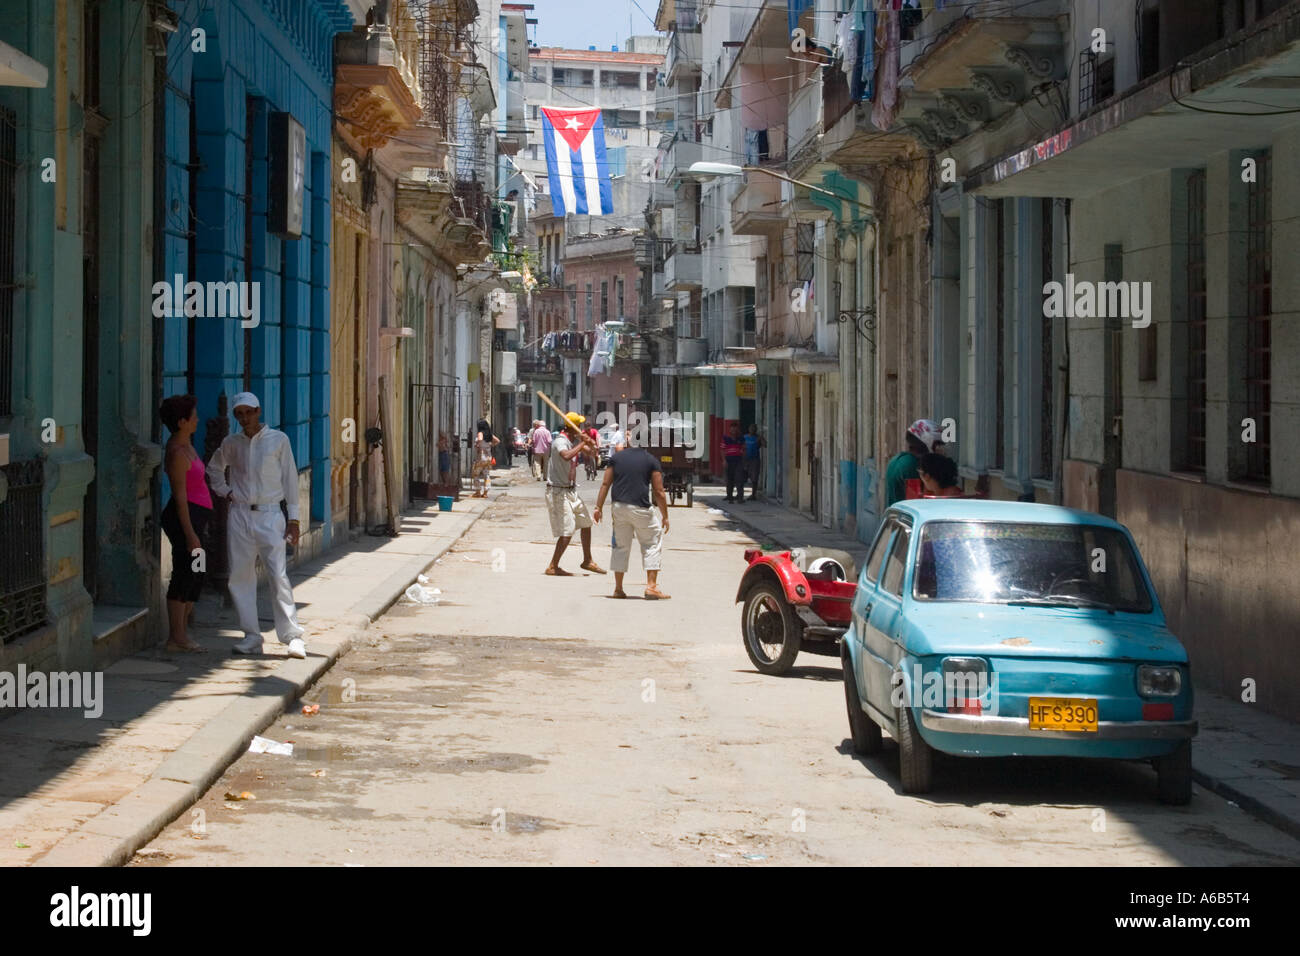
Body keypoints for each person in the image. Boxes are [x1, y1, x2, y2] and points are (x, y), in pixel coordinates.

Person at [206, 392, 307, 658]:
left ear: (258, 411)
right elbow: (214, 468)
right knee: (240, 577)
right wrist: (225, 492)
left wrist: (294, 519)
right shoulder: (231, 443)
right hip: (239, 514)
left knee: (277, 575)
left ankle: (292, 635)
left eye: (248, 412)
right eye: (239, 414)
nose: (244, 418)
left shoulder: (278, 440)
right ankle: (251, 636)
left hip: (271, 515)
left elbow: (290, 480)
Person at [159, 395, 212, 653]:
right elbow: (180, 497)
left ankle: (182, 631)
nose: (197, 419)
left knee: (197, 572)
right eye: (193, 416)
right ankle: (176, 636)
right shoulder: (178, 453)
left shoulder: (187, 445)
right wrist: (190, 534)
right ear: (182, 422)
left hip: (197, 517)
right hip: (184, 519)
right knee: (184, 571)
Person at [593, 435, 671, 599]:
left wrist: (598, 507)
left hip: (619, 507)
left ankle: (618, 589)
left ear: (629, 442)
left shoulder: (616, 458)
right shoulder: (651, 460)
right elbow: (659, 491)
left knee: (621, 546)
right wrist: (665, 516)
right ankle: (651, 587)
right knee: (652, 543)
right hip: (641, 508)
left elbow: (606, 484)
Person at [544, 412, 604, 576]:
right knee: (567, 531)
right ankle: (553, 566)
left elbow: (591, 453)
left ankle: (587, 560)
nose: (582, 430)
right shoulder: (560, 442)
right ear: (572, 428)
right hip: (558, 491)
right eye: (579, 427)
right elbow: (566, 456)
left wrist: (591, 446)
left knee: (586, 523)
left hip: (571, 491)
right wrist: (582, 443)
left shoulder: (571, 442)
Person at [885, 419, 942, 507]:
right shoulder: (911, 465)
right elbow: (916, 502)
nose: (938, 449)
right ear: (928, 441)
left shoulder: (898, 459)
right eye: (936, 444)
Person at [471, 418, 497, 497]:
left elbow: (480, 439)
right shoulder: (489, 434)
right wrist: (490, 446)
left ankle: (478, 491)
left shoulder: (480, 433)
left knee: (475, 474)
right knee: (486, 474)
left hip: (481, 457)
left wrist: (477, 445)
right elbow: (498, 441)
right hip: (488, 457)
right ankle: (485, 492)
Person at [742, 423, 765, 503]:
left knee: (754, 478)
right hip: (745, 459)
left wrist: (761, 438)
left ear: (756, 430)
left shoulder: (757, 438)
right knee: (742, 477)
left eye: (754, 428)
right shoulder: (745, 437)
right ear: (748, 429)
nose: (752, 430)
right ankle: (740, 494)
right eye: (751, 428)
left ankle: (753, 494)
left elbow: (765, 445)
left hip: (754, 460)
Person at [722, 421, 745, 503]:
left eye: (735, 430)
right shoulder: (726, 438)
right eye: (732, 429)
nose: (734, 431)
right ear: (730, 430)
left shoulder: (741, 438)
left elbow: (744, 449)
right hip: (729, 461)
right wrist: (724, 460)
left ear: (737, 430)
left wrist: (743, 459)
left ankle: (740, 497)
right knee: (729, 480)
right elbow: (723, 450)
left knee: (739, 479)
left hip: (738, 461)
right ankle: (730, 497)